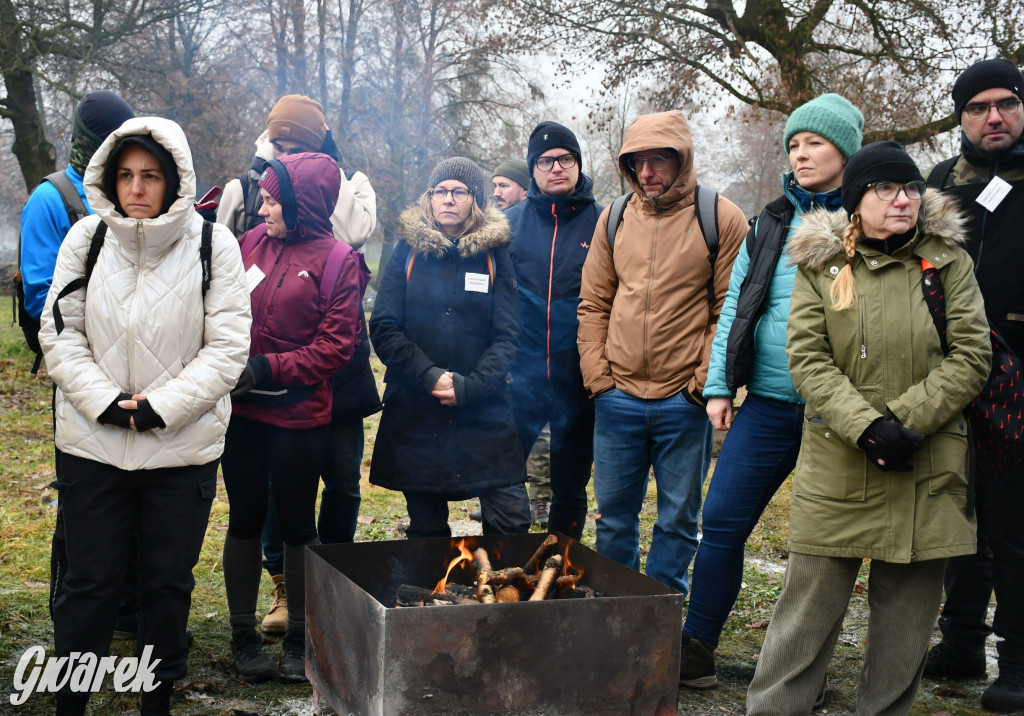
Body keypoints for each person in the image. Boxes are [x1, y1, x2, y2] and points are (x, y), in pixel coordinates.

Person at [745, 141, 992, 715]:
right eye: (884, 189)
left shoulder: (947, 259)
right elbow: (807, 358)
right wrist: (867, 428)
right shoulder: (821, 264)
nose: (901, 199)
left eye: (909, 188)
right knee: (804, 619)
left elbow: (972, 354)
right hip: (840, 461)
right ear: (857, 200)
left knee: (905, 629)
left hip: (926, 464)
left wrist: (904, 422)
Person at [39, 116, 252, 715]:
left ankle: (153, 702)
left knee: (164, 587)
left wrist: (161, 408)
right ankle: (69, 706)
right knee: (89, 586)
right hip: (93, 443)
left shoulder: (214, 245)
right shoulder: (87, 239)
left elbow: (229, 347)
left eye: (151, 176)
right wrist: (103, 401)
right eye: (126, 174)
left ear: (173, 181)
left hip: (180, 449)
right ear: (109, 176)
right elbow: (60, 332)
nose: (136, 188)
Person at [679, 94, 864, 688]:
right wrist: (718, 386)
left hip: (835, 413)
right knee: (723, 522)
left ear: (847, 151)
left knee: (821, 549)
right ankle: (697, 649)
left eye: (815, 142)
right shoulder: (771, 220)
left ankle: (799, 671)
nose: (801, 153)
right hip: (764, 404)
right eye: (794, 144)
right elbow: (738, 302)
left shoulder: (871, 219)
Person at [218, 94, 379, 636]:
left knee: (315, 504)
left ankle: (318, 616)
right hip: (244, 412)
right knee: (247, 512)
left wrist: (265, 370)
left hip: (306, 408)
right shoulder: (248, 242)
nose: (262, 209)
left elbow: (335, 345)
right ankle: (255, 623)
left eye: (272, 201)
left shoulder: (340, 256)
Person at [577, 110, 747, 593]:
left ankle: (663, 609)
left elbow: (728, 312)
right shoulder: (613, 218)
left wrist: (700, 387)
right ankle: (617, 606)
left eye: (658, 161)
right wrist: (600, 381)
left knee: (677, 521)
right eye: (637, 163)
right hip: (617, 400)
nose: (647, 173)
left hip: (684, 401)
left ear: (682, 160)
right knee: (612, 520)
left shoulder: (720, 217)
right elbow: (593, 303)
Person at [922, 58, 1024, 712]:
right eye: (979, 107)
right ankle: (959, 638)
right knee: (955, 513)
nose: (994, 117)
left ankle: (1015, 661)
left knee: (1014, 524)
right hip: (949, 375)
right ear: (960, 117)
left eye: (1006, 104)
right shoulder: (936, 186)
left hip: (1020, 381)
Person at [369, 157, 531, 539]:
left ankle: (503, 597)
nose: (447, 199)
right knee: (427, 529)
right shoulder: (407, 251)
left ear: (474, 199)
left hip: (485, 409)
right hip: (417, 408)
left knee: (511, 522)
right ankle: (433, 597)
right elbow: (385, 326)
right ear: (429, 197)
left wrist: (470, 386)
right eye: (439, 191)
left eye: (458, 191)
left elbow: (508, 335)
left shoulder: (495, 254)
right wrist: (429, 376)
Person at [504, 123, 603, 540]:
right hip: (517, 375)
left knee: (569, 484)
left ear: (578, 164)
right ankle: (501, 558)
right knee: (504, 477)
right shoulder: (507, 224)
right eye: (545, 161)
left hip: (576, 377)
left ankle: (560, 564)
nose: (556, 167)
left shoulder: (605, 223)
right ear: (533, 169)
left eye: (566, 159)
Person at [469, 158, 551, 528]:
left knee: (543, 439)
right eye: (495, 186)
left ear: (524, 188)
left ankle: (541, 503)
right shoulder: (493, 230)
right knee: (503, 437)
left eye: (505, 185)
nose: (497, 193)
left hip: (538, 354)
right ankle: (500, 501)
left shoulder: (531, 228)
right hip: (501, 358)